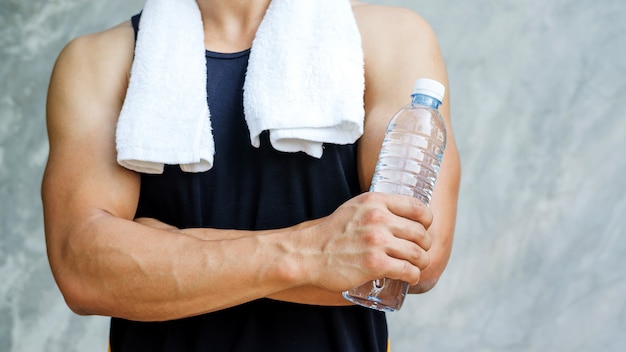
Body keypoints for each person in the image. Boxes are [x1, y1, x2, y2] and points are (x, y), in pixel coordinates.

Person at [42, 0, 460, 351]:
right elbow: (84, 268)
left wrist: (163, 245)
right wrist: (313, 253)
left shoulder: (393, 40)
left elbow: (411, 260)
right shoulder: (97, 62)